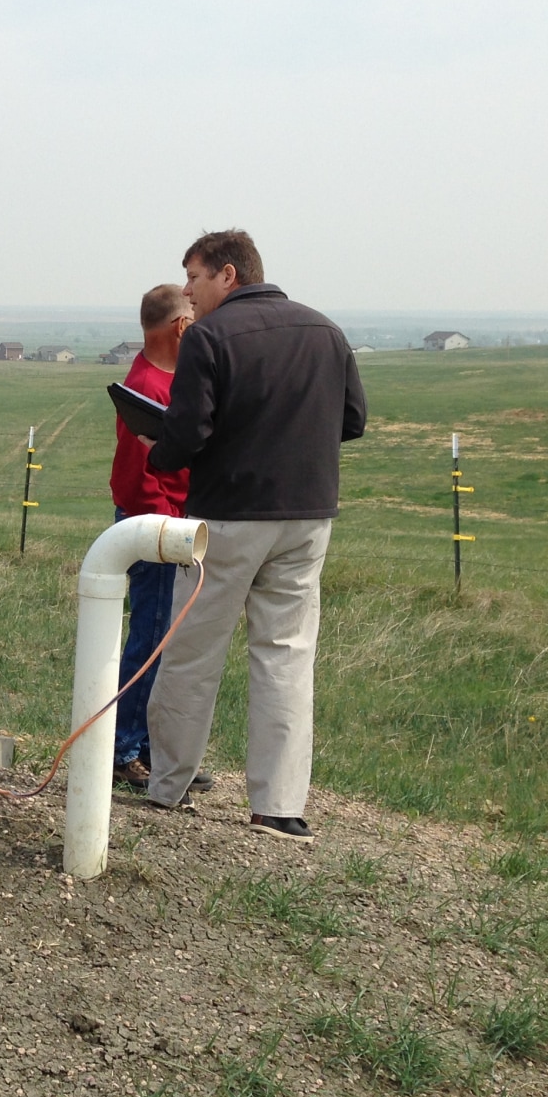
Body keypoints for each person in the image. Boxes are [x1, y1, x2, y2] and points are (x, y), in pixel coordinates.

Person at [142, 229, 367, 843]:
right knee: (287, 658)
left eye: (193, 277)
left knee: (193, 651)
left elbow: (187, 435)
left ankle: (168, 787)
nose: (186, 292)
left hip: (230, 518)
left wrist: (156, 449)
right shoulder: (327, 331)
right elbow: (353, 420)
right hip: (308, 518)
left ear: (229, 275)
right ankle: (279, 807)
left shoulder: (210, 338)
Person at [106, 284, 197, 791]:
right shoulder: (146, 387)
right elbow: (140, 476)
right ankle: (125, 750)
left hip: (168, 523)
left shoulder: (168, 379)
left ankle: (149, 747)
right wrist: (167, 530)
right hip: (154, 527)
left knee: (164, 639)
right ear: (180, 326)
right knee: (150, 639)